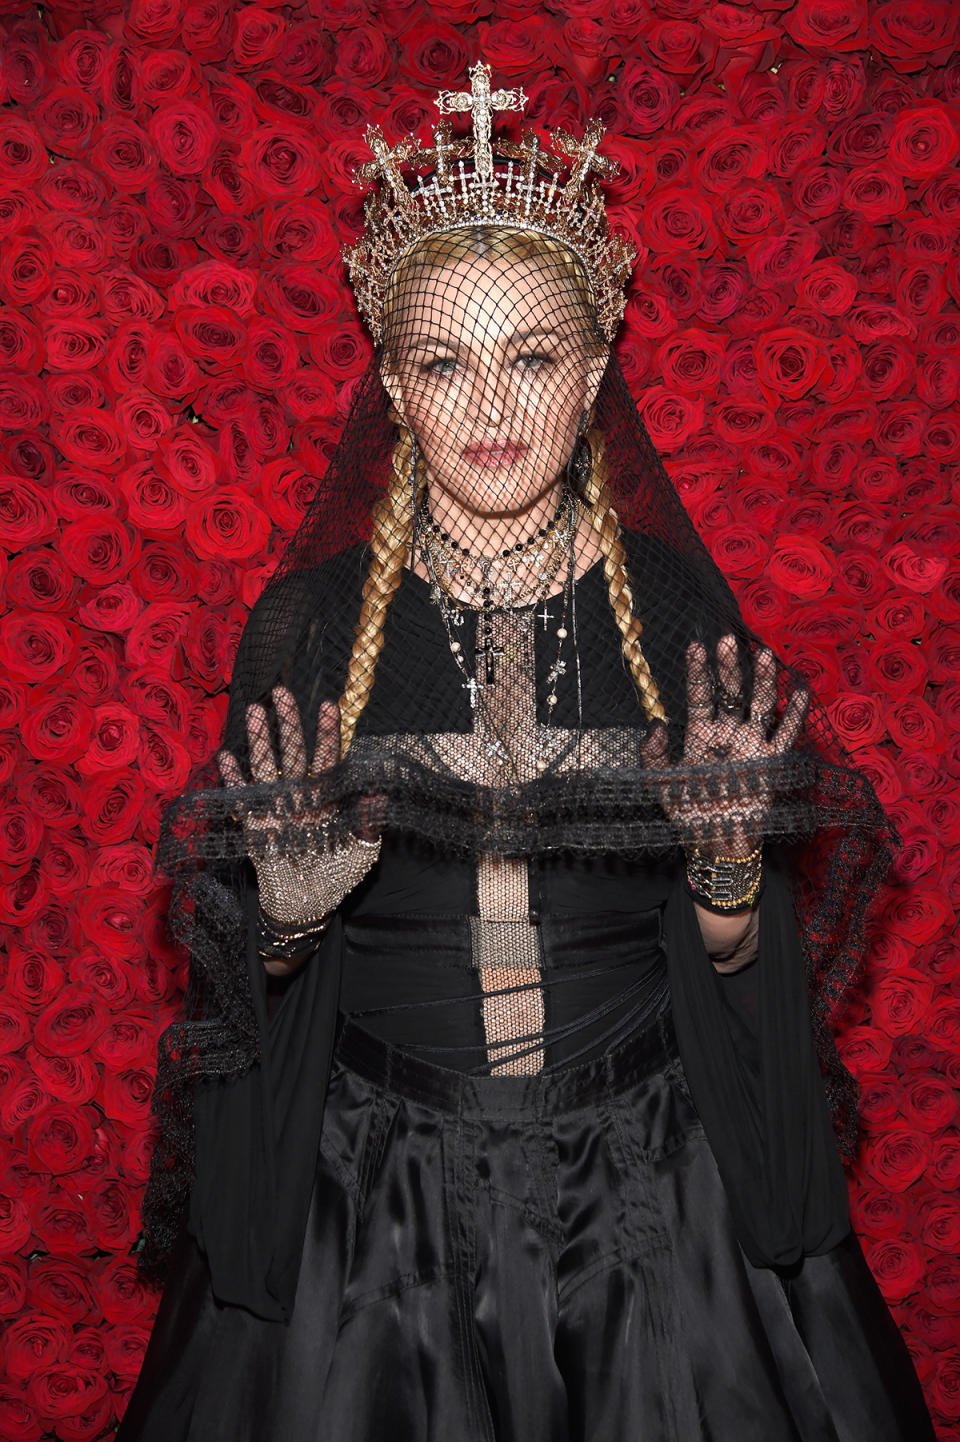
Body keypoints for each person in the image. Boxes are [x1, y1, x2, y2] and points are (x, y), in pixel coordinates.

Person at [118, 61, 935, 1442]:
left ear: (599, 361)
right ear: (391, 377)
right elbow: (238, 1002)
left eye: (533, 355)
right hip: (367, 1214)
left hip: (657, 1202)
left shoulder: (676, 613)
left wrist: (732, 884)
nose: (490, 404)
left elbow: (741, 972)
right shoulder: (307, 627)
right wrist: (280, 929)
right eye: (443, 360)